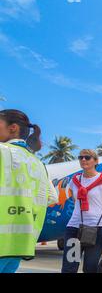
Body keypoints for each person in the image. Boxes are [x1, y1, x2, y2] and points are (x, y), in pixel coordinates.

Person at [0, 109, 57, 273]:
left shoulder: (3, 151)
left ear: (13, 128)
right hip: (20, 244)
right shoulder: (38, 164)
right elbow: (52, 197)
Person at [61, 149, 102, 273]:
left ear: (96, 161)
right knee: (69, 267)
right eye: (80, 157)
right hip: (74, 229)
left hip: (97, 230)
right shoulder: (74, 181)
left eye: (87, 157)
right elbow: (76, 201)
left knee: (90, 267)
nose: (83, 160)